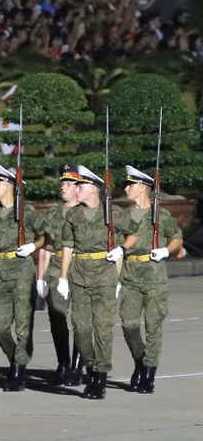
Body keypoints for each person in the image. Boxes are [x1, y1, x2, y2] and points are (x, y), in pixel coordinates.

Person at [56, 166, 123, 400]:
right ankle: (92, 368)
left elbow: (128, 239)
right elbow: (67, 247)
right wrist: (63, 277)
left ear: (93, 189)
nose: (77, 189)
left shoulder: (112, 213)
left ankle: (100, 378)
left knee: (102, 328)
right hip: (79, 276)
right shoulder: (73, 215)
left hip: (104, 275)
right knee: (81, 328)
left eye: (81, 186)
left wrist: (118, 276)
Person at [117, 165, 182, 394]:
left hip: (154, 276)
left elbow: (177, 238)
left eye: (130, 184)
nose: (126, 188)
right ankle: (140, 361)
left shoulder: (160, 215)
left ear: (143, 187)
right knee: (129, 324)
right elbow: (118, 250)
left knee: (153, 326)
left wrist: (166, 250)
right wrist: (116, 280)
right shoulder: (123, 217)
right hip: (130, 274)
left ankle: (149, 374)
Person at [0, 164, 47, 392]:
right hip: (1, 270)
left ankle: (19, 370)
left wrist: (33, 245)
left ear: (9, 187)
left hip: (21, 269)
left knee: (23, 324)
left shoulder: (26, 211)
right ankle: (15, 358)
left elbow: (47, 234)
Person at [37, 165, 83, 387]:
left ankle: (78, 365)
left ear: (79, 187)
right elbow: (46, 247)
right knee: (57, 316)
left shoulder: (88, 211)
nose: (63, 187)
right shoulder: (53, 213)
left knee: (82, 319)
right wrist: (40, 277)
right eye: (62, 183)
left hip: (83, 268)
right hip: (56, 268)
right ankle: (63, 362)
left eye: (69, 183)